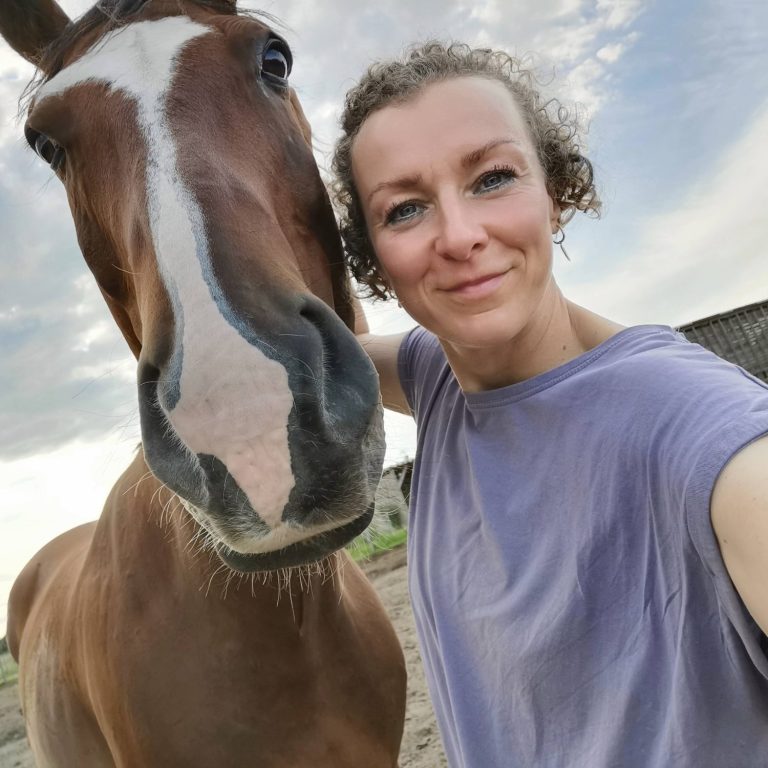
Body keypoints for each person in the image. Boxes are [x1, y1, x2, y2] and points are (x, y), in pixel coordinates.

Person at [330, 42, 768, 767]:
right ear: (374, 258)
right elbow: (322, 347)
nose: (460, 236)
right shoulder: (436, 381)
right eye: (404, 209)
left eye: (493, 178)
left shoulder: (711, 439)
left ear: (556, 193)